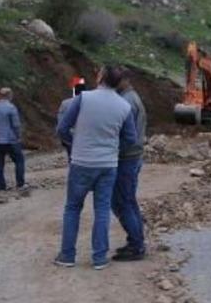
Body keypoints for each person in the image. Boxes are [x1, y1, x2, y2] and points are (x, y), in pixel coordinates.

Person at [55, 65, 137, 271]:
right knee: (102, 210)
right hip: (107, 165)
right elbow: (131, 139)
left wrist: (75, 145)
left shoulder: (83, 99)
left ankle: (67, 255)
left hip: (81, 162)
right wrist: (112, 149)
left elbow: (62, 128)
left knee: (73, 208)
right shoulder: (123, 106)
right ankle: (99, 258)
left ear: (100, 77)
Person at [112, 73, 147, 262]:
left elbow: (127, 136)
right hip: (132, 157)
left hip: (126, 158)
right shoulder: (131, 98)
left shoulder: (127, 102)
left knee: (122, 202)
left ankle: (136, 245)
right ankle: (136, 241)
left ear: (125, 79)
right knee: (128, 201)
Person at [0, 88, 25, 191]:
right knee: (19, 160)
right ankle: (20, 184)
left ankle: (1, 186)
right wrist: (19, 136)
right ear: (9, 95)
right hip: (10, 139)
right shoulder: (11, 107)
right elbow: (16, 125)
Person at [57, 77, 87, 161]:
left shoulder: (66, 103)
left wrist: (67, 140)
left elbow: (61, 125)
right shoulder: (91, 102)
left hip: (72, 138)